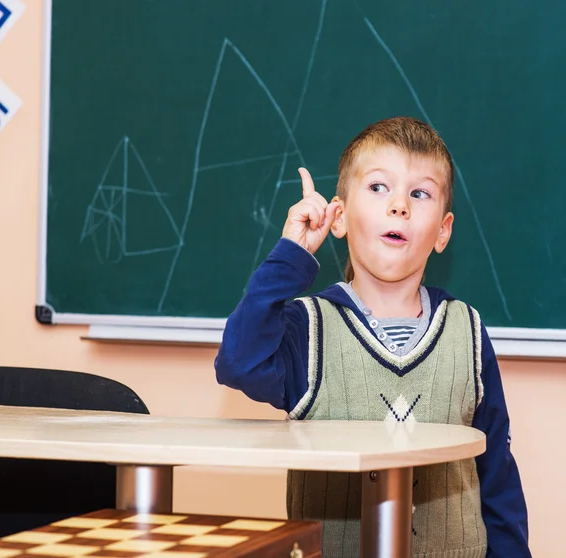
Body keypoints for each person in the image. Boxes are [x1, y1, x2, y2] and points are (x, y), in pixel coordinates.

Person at [215, 116, 530, 557]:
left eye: (420, 193)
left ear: (443, 230)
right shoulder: (308, 329)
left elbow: (496, 472)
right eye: (379, 188)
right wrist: (291, 255)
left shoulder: (468, 332)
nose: (399, 205)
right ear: (338, 216)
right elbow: (238, 363)